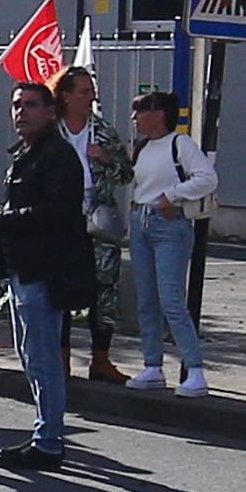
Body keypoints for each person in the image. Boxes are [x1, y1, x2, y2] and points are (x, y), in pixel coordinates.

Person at [0, 83, 96, 472]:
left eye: (31, 105)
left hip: (45, 270)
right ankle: (44, 432)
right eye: (16, 105)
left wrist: (1, 221)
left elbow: (55, 213)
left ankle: (49, 440)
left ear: (51, 111)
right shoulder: (27, 154)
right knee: (32, 355)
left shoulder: (57, 156)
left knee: (44, 357)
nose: (21, 112)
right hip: (24, 268)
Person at [123, 86, 215, 390]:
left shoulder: (181, 144)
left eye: (141, 111)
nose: (135, 117)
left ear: (159, 115)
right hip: (141, 222)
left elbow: (207, 177)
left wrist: (172, 196)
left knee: (171, 299)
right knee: (147, 301)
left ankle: (195, 368)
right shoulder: (142, 147)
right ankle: (153, 365)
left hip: (168, 225)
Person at [51, 65, 122, 387]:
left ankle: (101, 359)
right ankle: (60, 358)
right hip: (61, 218)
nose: (90, 96)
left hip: (98, 218)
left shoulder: (104, 131)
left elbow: (127, 173)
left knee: (103, 288)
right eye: (83, 91)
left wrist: (107, 160)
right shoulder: (50, 131)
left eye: (91, 91)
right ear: (65, 96)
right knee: (60, 287)